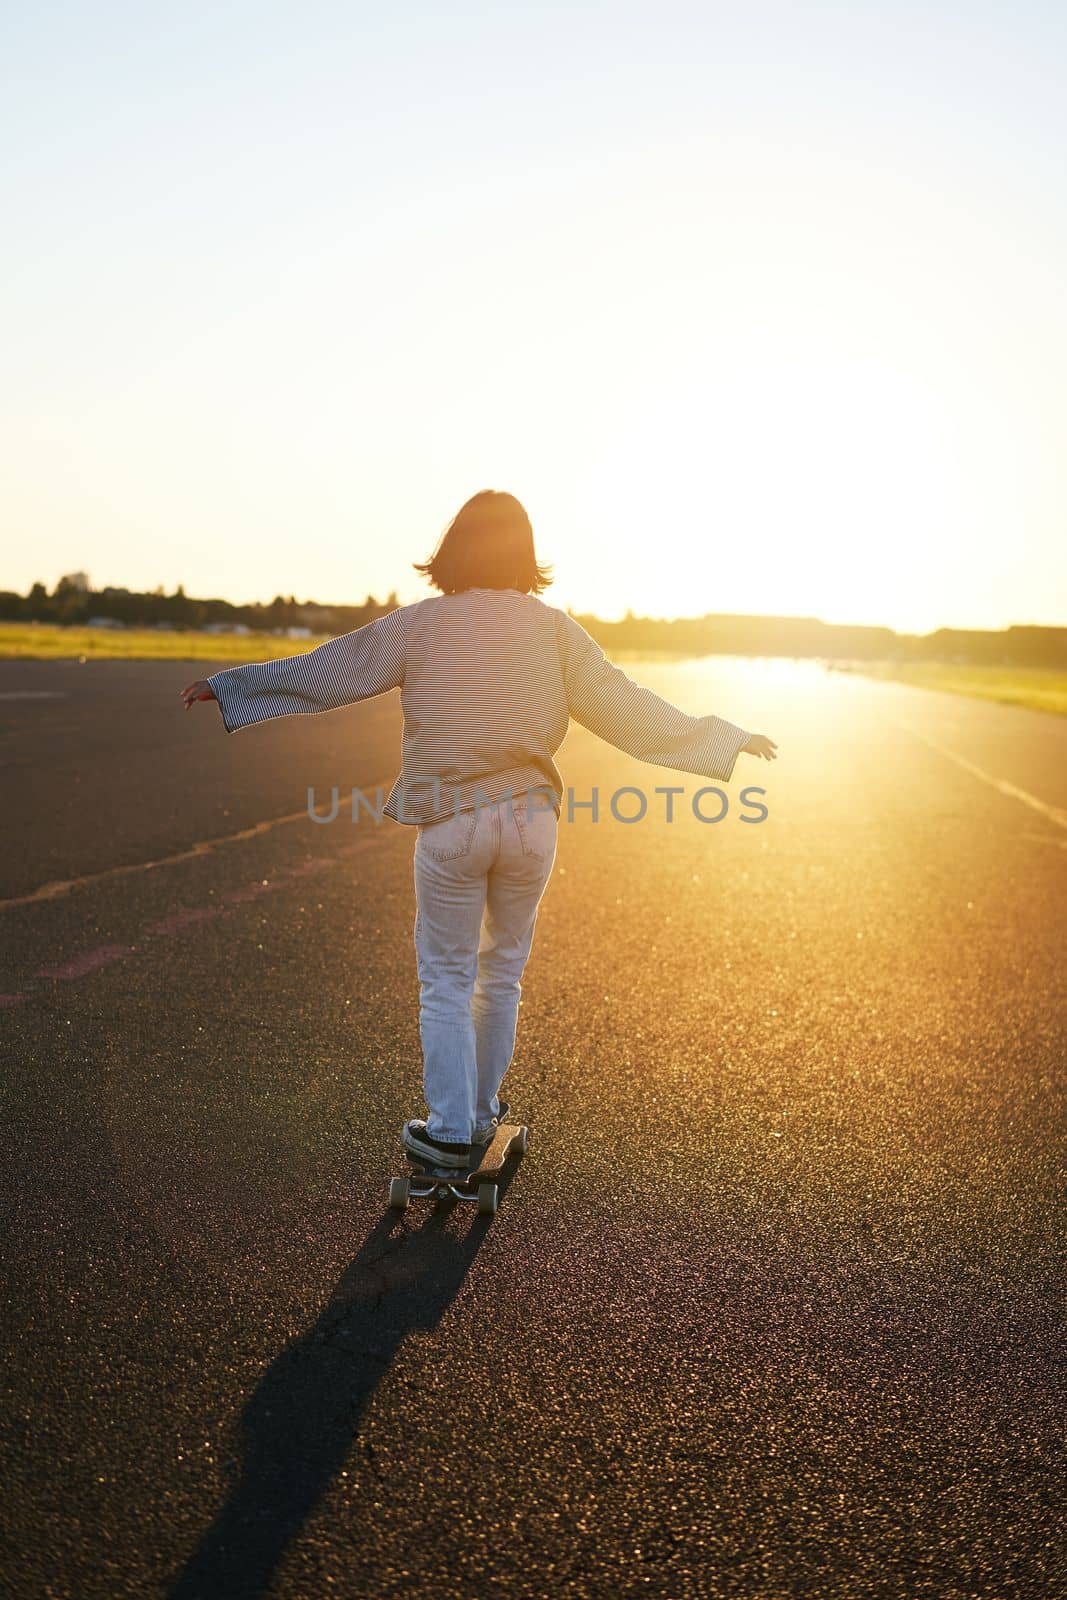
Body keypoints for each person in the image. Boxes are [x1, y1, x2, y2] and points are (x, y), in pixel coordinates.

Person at [180, 490, 777, 1170]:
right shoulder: (554, 630)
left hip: (453, 821)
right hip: (530, 823)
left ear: (452, 551)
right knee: (501, 975)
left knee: (445, 975)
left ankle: (451, 1128)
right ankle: (483, 1109)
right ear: (525, 554)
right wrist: (722, 740)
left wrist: (232, 686)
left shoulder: (422, 625)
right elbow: (624, 706)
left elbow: (331, 671)